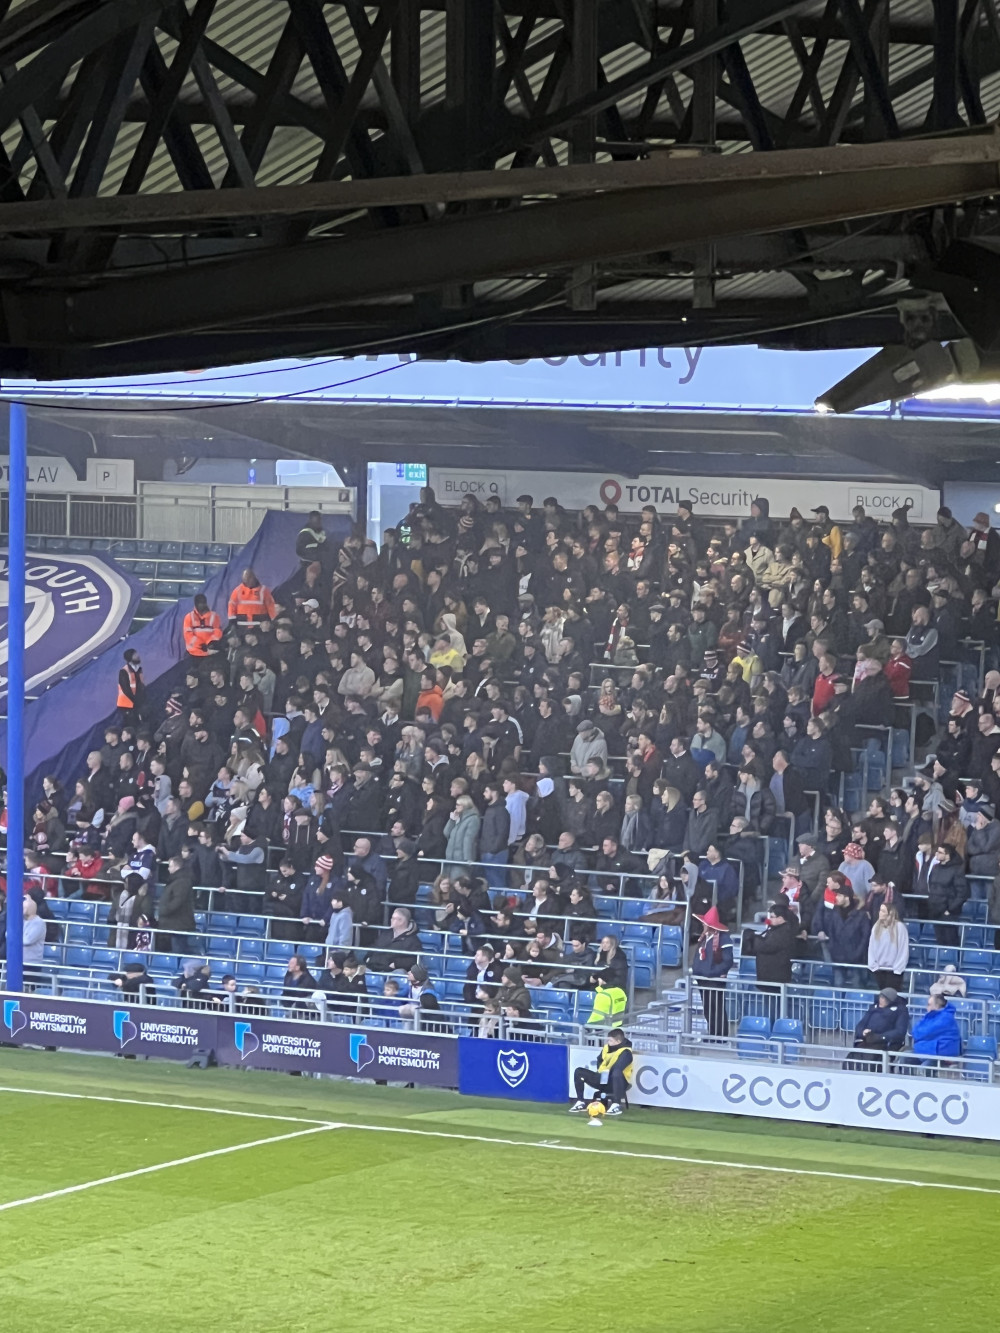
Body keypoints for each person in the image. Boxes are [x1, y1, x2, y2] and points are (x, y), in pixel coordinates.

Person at [690, 905, 733, 1038]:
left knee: (717, 1008)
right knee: (708, 1009)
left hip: (714, 980)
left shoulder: (724, 939)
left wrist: (713, 973)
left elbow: (727, 961)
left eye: (705, 924)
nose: (703, 925)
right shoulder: (704, 937)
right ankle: (712, 1034)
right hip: (703, 979)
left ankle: (720, 1036)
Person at [568, 1027, 634, 1115]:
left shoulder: (626, 1052)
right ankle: (581, 1102)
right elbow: (600, 1061)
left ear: (618, 1042)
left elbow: (618, 1068)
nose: (608, 1043)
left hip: (620, 1082)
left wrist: (606, 1075)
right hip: (603, 1078)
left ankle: (616, 1104)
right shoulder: (606, 1048)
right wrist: (601, 1075)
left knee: (616, 1072)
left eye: (610, 1040)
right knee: (579, 1072)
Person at [851, 988, 909, 1066]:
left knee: (869, 1060)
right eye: (880, 997)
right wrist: (862, 1032)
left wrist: (880, 1037)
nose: (880, 1000)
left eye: (883, 998)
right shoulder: (874, 1007)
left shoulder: (901, 1011)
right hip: (866, 1040)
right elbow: (861, 1024)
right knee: (852, 1059)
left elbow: (900, 1031)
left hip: (884, 1043)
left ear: (890, 1000)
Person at [867, 901, 909, 989]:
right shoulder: (876, 927)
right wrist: (873, 966)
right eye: (880, 910)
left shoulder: (900, 927)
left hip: (894, 971)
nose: (880, 913)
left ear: (889, 913)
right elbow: (871, 948)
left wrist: (897, 969)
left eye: (883, 911)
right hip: (879, 970)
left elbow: (903, 950)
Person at [911, 992, 962, 1064]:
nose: (927, 1007)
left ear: (937, 1006)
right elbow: (915, 1031)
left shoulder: (945, 1018)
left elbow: (922, 1033)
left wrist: (918, 1035)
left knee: (924, 1066)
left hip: (942, 1054)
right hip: (931, 1051)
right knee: (905, 1057)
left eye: (929, 1005)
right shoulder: (930, 1017)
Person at [182, 594, 223, 662]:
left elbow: (217, 631)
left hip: (210, 651)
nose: (202, 605)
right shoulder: (189, 617)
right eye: (199, 603)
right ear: (196, 604)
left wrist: (210, 643)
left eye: (203, 602)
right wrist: (201, 644)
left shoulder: (214, 616)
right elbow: (188, 635)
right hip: (194, 653)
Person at [116, 648, 145, 722]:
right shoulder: (124, 671)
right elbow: (126, 689)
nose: (138, 656)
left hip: (136, 703)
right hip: (127, 704)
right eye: (135, 655)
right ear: (130, 658)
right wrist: (136, 701)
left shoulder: (138, 669)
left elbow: (140, 685)